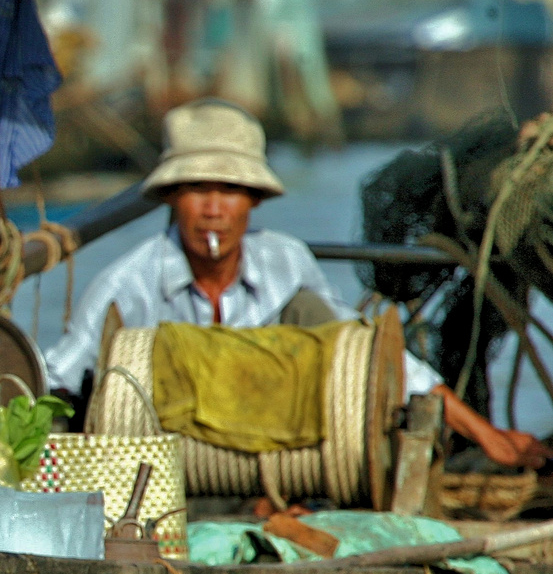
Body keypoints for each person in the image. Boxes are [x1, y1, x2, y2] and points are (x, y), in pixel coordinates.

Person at [45, 98, 549, 469]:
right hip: (162, 477)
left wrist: (485, 434)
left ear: (255, 200)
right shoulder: (129, 281)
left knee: (316, 318)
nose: (214, 209)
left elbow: (368, 352)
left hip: (282, 469)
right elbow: (57, 375)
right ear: (174, 197)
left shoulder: (284, 264)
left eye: (231, 191)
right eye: (198, 189)